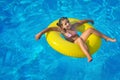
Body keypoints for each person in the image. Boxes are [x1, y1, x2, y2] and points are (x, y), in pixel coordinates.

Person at [35, 17, 116, 62]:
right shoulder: (61, 30)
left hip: (80, 39)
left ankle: (107, 38)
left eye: (68, 22)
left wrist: (90, 20)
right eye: (65, 24)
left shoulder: (74, 26)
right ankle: (88, 56)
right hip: (73, 43)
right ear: (62, 26)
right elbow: (49, 29)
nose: (68, 24)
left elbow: (82, 22)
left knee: (90, 30)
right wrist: (40, 34)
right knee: (80, 40)